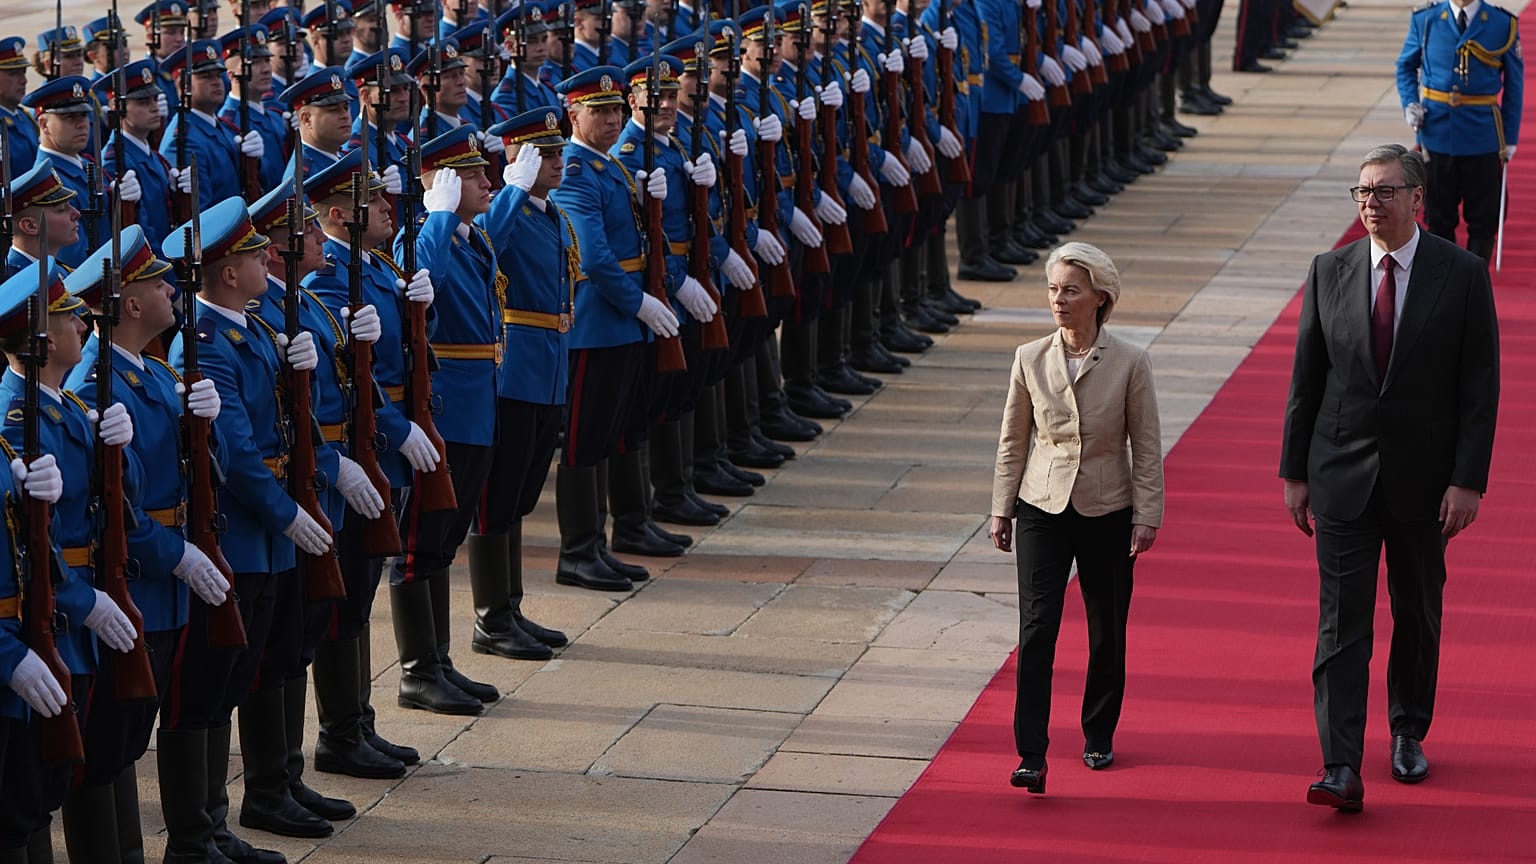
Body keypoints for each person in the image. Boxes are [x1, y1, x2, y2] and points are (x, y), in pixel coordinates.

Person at [1281, 143, 1500, 812]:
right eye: (1362, 192)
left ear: (1416, 199)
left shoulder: (1459, 274)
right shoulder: (1330, 270)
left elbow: (1479, 387)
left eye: (1383, 192)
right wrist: (1294, 472)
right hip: (1341, 471)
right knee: (1340, 622)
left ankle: (1408, 729)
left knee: (1416, 612)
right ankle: (1340, 762)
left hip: (1424, 481)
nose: (1370, 203)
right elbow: (1306, 380)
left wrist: (1468, 481)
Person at [988, 241, 1162, 795]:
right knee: (1037, 628)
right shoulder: (1029, 356)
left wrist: (1147, 513)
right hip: (1041, 504)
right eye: (1053, 289)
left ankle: (1098, 730)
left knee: (1106, 627)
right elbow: (1013, 440)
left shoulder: (1131, 361)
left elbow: (1147, 444)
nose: (1058, 300)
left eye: (1070, 290)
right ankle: (1031, 754)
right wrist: (1001, 508)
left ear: (1099, 298)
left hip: (1108, 507)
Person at [1397, 0, 1523, 264]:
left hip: (1483, 137)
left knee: (1483, 221)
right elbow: (1406, 66)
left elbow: (1514, 85)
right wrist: (1410, 102)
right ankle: (1444, 284)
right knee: (1439, 219)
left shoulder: (1502, 23)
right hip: (1437, 135)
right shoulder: (1427, 19)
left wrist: (1509, 137)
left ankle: (1475, 283)